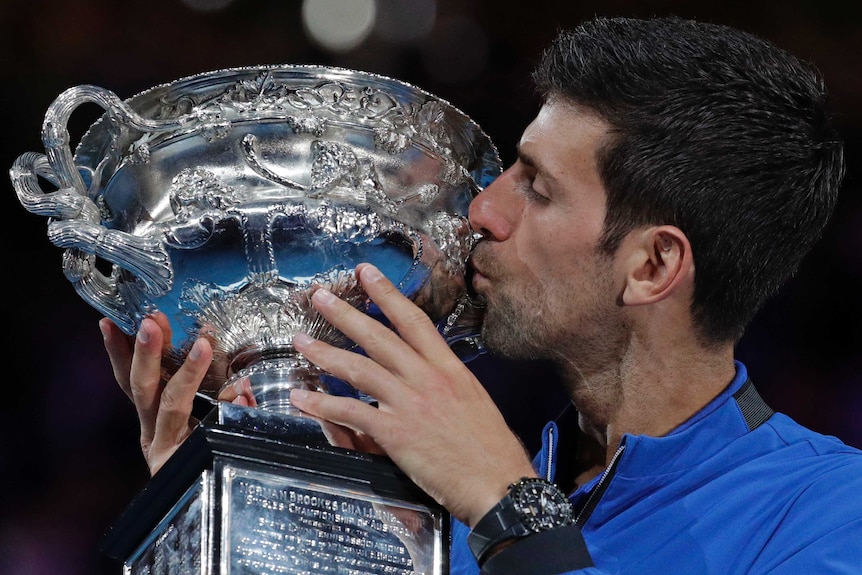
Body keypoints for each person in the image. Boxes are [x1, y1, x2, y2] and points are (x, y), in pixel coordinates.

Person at [99, 15, 862, 574]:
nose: (484, 212)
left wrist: (512, 514)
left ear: (653, 265)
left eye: (537, 186)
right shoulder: (447, 513)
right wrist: (222, 509)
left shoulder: (830, 515)